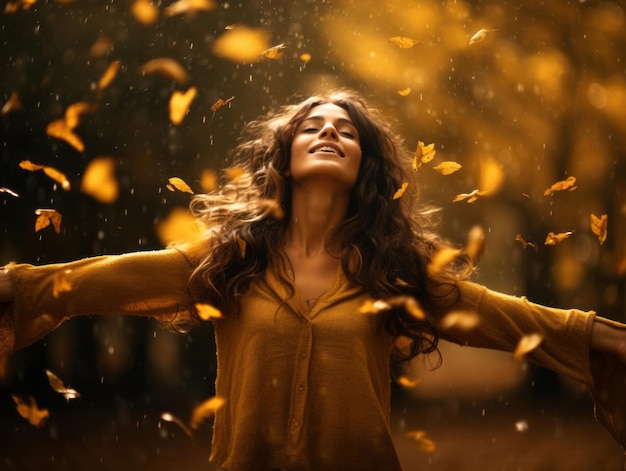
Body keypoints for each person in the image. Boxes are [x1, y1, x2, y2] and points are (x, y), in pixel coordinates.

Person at [1, 89, 625, 470]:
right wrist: (14, 285)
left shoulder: (396, 271)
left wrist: (612, 340)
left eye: (347, 131)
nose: (330, 132)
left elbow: (511, 318)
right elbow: (81, 281)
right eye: (313, 126)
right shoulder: (227, 261)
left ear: (365, 167)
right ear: (284, 155)